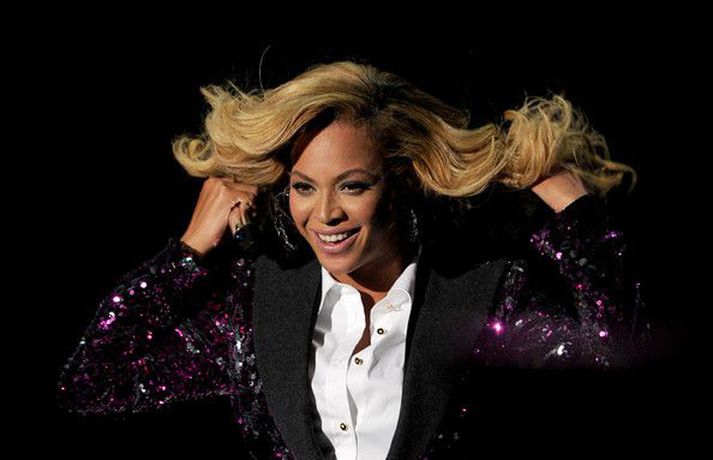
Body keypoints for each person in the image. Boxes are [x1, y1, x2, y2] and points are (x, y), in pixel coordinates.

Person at [55, 60, 651, 459]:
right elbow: (91, 383)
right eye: (304, 187)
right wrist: (188, 252)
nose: (325, 214)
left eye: (353, 185)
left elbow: (616, 354)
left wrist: (577, 214)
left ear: (400, 184)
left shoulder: (480, 292)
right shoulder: (259, 305)